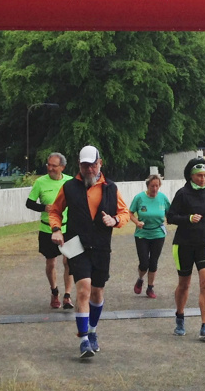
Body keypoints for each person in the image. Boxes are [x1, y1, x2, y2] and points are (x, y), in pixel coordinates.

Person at [47, 145, 131, 359]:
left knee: (97, 292)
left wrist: (115, 220)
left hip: (102, 246)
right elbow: (55, 211)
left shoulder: (111, 188)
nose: (89, 170)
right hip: (77, 245)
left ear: (100, 163)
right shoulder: (68, 187)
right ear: (79, 166)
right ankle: (84, 339)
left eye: (93, 165)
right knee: (83, 289)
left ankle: (93, 331)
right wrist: (56, 230)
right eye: (85, 166)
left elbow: (125, 213)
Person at [167, 157, 205, 340]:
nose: (203, 179)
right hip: (184, 244)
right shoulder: (182, 193)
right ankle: (180, 316)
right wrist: (188, 218)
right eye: (199, 176)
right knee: (184, 284)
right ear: (190, 175)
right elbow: (171, 217)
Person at [25, 152, 73, 309]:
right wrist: (43, 207)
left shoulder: (70, 182)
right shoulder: (40, 182)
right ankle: (54, 292)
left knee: (69, 262)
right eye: (48, 165)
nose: (50, 168)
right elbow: (29, 203)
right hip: (47, 229)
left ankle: (67, 296)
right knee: (51, 262)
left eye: (54, 165)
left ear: (62, 167)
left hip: (68, 228)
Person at [129, 174, 170, 299]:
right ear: (148, 186)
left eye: (157, 186)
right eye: (152, 186)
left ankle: (150, 287)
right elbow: (130, 213)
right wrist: (137, 222)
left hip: (158, 233)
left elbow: (171, 212)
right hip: (142, 234)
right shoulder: (139, 198)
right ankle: (140, 279)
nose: (155, 188)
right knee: (144, 263)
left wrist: (173, 219)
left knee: (153, 262)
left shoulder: (163, 198)